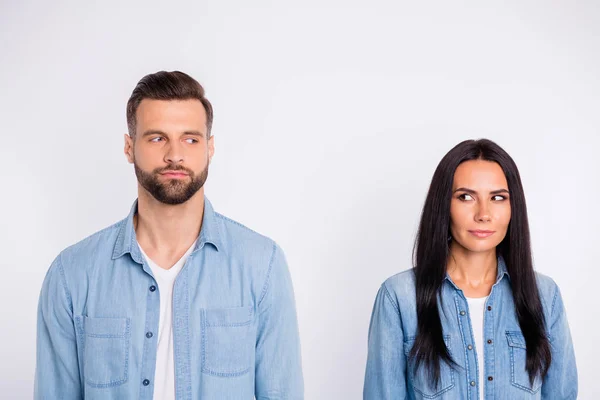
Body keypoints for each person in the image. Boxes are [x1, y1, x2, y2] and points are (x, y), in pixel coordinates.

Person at [34, 71, 304, 400]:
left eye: (190, 139)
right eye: (157, 138)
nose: (175, 155)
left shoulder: (262, 265)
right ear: (129, 147)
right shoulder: (72, 274)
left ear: (210, 147)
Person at [363, 139, 577, 399]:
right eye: (466, 197)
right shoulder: (399, 297)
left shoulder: (545, 296)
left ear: (513, 207)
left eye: (498, 198)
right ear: (444, 205)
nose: (483, 213)